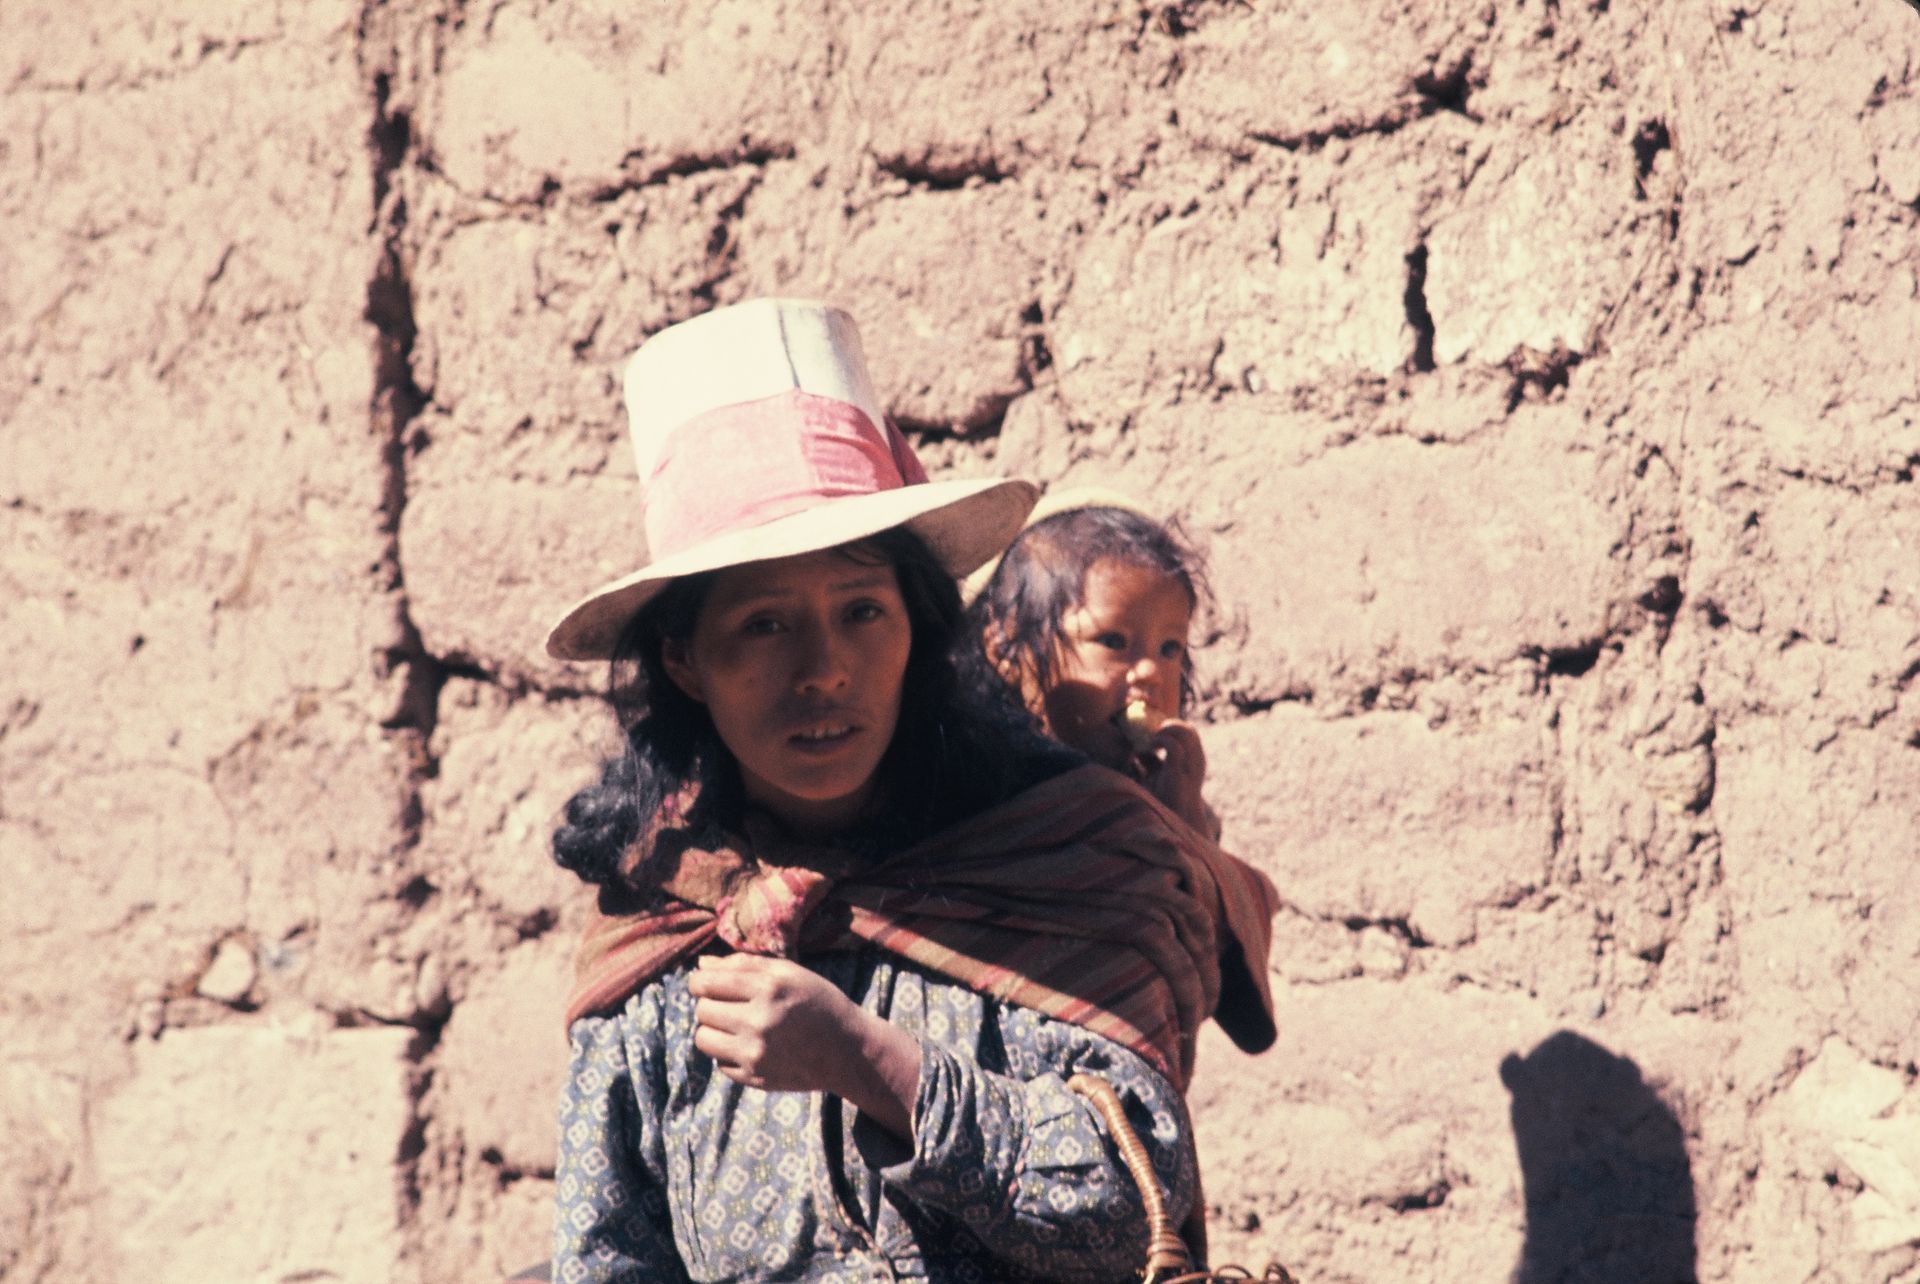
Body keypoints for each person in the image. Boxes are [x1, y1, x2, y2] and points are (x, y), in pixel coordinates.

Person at [542, 299, 1279, 1283]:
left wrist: (868, 1062)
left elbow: (1131, 1201)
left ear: (918, 629)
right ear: (684, 660)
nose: (825, 671)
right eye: (764, 625)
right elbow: (609, 1257)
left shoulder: (1057, 864)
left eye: (861, 611)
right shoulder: (657, 938)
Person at [965, 490, 1223, 842]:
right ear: (1007, 651)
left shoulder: (1167, 799)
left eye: (1169, 648)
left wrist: (1185, 821)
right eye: (1113, 642)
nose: (1151, 671)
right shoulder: (977, 794)